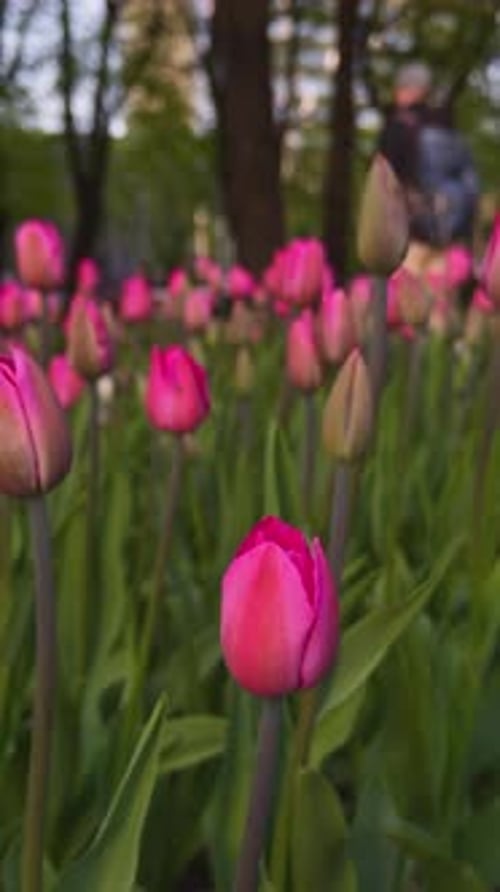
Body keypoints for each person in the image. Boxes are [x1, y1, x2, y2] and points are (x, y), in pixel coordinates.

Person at [379, 62, 479, 277]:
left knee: (404, 301)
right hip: (448, 234)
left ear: (410, 90)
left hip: (410, 234)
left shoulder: (398, 127)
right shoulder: (450, 130)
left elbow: (384, 181)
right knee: (439, 303)